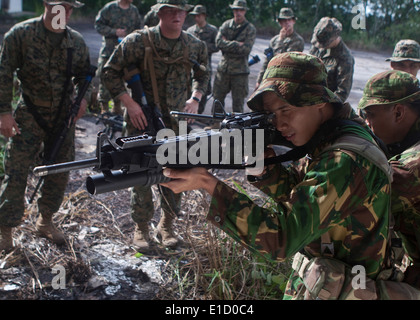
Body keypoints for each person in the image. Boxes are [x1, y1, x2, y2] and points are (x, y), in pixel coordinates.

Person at [161, 52, 392, 300]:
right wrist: (262, 167)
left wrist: (208, 184)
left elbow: (281, 239)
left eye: (286, 109)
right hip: (329, 284)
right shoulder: (331, 136)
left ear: (319, 102)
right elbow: (304, 197)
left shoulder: (344, 160)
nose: (279, 124)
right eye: (273, 114)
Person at [102, 0, 209, 252]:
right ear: (160, 12)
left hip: (176, 123)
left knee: (177, 172)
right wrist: (129, 103)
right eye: (170, 9)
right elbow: (109, 72)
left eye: (181, 10)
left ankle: (167, 225)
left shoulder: (194, 45)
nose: (177, 15)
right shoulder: (138, 41)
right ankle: (141, 227)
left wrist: (195, 99)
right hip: (143, 121)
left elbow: (203, 75)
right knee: (140, 173)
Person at [0, 0, 92, 251]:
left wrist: (84, 99)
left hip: (63, 118)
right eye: (61, 6)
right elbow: (4, 73)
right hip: (29, 114)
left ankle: (45, 221)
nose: (66, 12)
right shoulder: (20, 35)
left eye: (71, 8)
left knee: (59, 172)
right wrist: (4, 113)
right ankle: (5, 228)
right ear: (46, 5)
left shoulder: (75, 41)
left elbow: (87, 75)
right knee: (16, 171)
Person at [357, 70, 420, 289]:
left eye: (370, 115)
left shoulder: (411, 167)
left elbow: (352, 203)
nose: (366, 123)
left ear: (399, 112)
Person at [94, 0, 142, 115]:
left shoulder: (134, 11)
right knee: (105, 77)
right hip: (109, 51)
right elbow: (98, 25)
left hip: (125, 53)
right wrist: (114, 31)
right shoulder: (110, 8)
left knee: (121, 77)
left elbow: (138, 31)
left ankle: (117, 105)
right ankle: (104, 107)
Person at [212, 0, 256, 113]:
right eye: (236, 9)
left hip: (240, 72)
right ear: (233, 10)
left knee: (238, 103)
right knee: (217, 99)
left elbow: (246, 50)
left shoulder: (250, 29)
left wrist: (227, 43)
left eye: (241, 10)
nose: (238, 12)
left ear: (245, 11)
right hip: (224, 69)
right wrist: (236, 43)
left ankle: (237, 128)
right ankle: (216, 124)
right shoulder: (226, 25)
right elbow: (218, 43)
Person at [255, 7, 304, 88]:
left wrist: (280, 40)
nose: (287, 23)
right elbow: (267, 61)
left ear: (293, 21)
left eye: (289, 20)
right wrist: (259, 80)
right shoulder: (274, 40)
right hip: (272, 79)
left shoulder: (298, 40)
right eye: (284, 20)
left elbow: (284, 59)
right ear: (280, 23)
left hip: (288, 80)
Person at [309, 17, 354, 103]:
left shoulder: (345, 58)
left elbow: (342, 92)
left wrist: (324, 107)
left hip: (325, 103)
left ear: (334, 38)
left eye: (324, 44)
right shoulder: (317, 46)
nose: (321, 47)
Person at [186, 5, 218, 114]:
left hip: (205, 64)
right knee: (190, 87)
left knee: (204, 89)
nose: (196, 18)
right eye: (195, 16)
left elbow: (217, 46)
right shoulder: (190, 30)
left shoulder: (212, 30)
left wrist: (203, 47)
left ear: (204, 16)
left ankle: (199, 113)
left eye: (199, 16)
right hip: (191, 65)